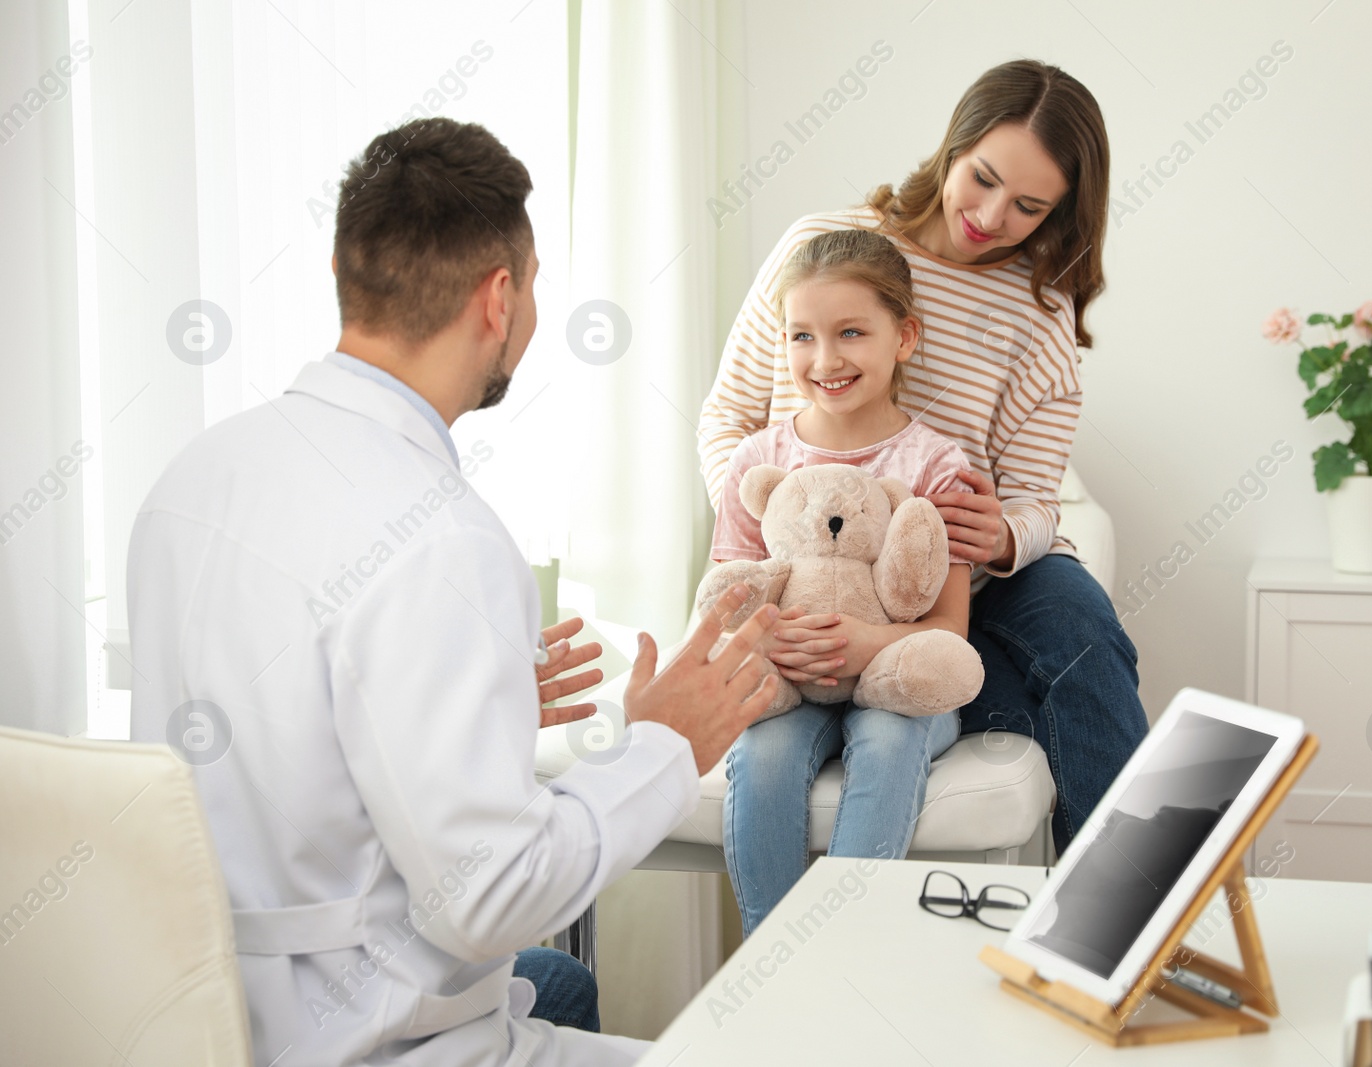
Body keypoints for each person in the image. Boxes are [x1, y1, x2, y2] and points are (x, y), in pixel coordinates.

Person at [128, 117, 779, 1067]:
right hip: (366, 1040)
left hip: (212, 1019)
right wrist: (663, 743)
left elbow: (286, 726)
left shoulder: (192, 479)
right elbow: (491, 897)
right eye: (537, 286)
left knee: (560, 985)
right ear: (499, 297)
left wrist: (484, 697)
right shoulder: (441, 536)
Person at [699, 59, 1148, 855]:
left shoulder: (1040, 317)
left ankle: (1125, 909)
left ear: (1062, 212)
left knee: (1083, 631)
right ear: (955, 146)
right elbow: (728, 415)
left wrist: (1003, 535)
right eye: (981, 178)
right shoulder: (826, 248)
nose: (990, 215)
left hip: (957, 574)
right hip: (814, 555)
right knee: (1017, 706)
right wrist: (769, 524)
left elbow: (1040, 503)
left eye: (1029, 206)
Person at [712, 229, 975, 935]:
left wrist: (871, 641)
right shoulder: (758, 461)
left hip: (897, 687)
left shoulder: (937, 465)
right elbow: (727, 605)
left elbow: (949, 629)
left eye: (850, 332)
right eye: (802, 336)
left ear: (905, 336)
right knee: (762, 755)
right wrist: (770, 641)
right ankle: (774, 972)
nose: (824, 359)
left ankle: (850, 959)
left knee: (889, 745)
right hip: (791, 684)